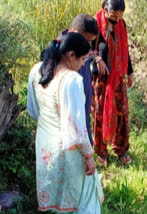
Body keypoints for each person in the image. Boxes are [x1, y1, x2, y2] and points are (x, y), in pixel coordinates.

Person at [27, 33, 104, 213]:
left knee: (57, 202)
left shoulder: (37, 70)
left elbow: (33, 110)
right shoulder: (71, 80)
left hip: (45, 145)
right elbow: (76, 128)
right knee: (84, 202)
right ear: (70, 55)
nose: (84, 64)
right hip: (68, 149)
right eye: (83, 58)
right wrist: (89, 156)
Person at [57, 14, 108, 146]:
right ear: (77, 32)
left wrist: (90, 96)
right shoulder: (59, 49)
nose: (90, 45)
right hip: (68, 123)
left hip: (82, 109)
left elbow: (86, 74)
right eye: (88, 40)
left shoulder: (82, 45)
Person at [93, 0, 133, 165]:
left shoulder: (121, 24)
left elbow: (125, 49)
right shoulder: (94, 23)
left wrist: (129, 72)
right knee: (101, 112)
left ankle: (121, 148)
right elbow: (86, 46)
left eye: (120, 16)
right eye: (113, 16)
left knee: (121, 111)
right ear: (105, 9)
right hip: (101, 77)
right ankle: (101, 152)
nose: (117, 20)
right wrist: (97, 58)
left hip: (119, 75)